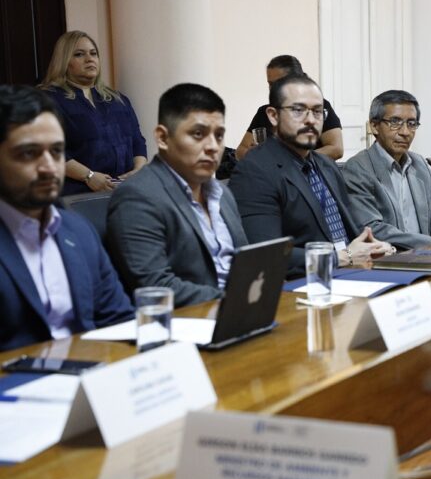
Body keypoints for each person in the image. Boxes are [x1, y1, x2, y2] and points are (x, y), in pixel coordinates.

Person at [0, 85, 133, 350]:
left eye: (57, 151)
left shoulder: (78, 229)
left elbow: (118, 320)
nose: (49, 167)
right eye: (29, 153)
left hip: (91, 366)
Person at [228, 74, 392, 278]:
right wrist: (341, 257)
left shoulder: (325, 165)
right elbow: (266, 255)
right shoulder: (254, 171)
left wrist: (373, 246)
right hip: (302, 286)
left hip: (351, 274)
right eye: (298, 110)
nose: (311, 120)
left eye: (317, 111)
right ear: (273, 115)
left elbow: (350, 229)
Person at [107, 83, 248, 308]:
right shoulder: (137, 197)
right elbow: (155, 286)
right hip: (190, 319)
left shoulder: (222, 194)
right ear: (163, 138)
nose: (213, 147)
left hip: (242, 313)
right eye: (198, 134)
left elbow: (246, 264)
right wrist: (234, 300)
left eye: (219, 136)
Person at [342, 90, 431, 249]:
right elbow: (372, 229)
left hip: (429, 256)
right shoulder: (357, 169)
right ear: (374, 126)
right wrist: (430, 243)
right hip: (387, 259)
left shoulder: (419, 165)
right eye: (395, 122)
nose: (405, 132)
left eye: (411, 124)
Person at [40, 30, 147, 195]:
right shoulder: (47, 100)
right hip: (77, 195)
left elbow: (137, 141)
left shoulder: (118, 99)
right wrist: (88, 176)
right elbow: (47, 149)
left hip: (125, 193)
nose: (89, 59)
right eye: (79, 54)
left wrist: (138, 171)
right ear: (64, 61)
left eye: (93, 53)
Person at [235, 55, 343, 161]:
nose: (273, 89)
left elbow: (336, 149)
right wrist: (253, 154)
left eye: (279, 83)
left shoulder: (318, 107)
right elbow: (240, 151)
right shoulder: (264, 112)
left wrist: (291, 160)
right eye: (270, 84)